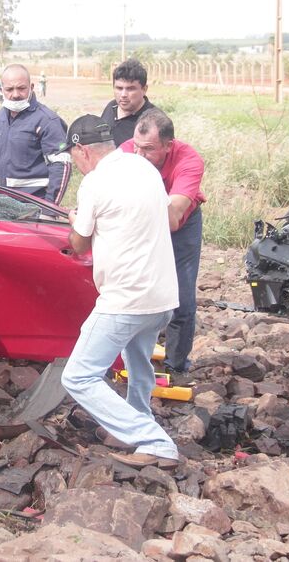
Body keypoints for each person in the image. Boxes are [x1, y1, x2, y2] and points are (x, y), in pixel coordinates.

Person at [59, 114, 181, 469]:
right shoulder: (144, 168)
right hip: (162, 296)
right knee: (138, 364)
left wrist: (74, 221)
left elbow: (79, 245)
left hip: (126, 298)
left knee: (78, 376)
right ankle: (135, 427)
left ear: (81, 150)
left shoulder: (95, 183)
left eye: (72, 157)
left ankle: (153, 440)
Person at [121, 109, 205, 386]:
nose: (140, 155)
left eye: (149, 150)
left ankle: (177, 365)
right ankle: (129, 358)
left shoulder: (188, 160)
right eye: (137, 147)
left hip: (180, 225)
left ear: (168, 146)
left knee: (180, 294)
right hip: (141, 222)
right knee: (132, 288)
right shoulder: (126, 153)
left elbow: (172, 217)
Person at [0, 64, 71, 204]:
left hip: (31, 207)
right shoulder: (1, 116)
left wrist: (49, 208)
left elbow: (61, 165)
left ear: (32, 87)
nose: (15, 94)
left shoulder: (47, 120)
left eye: (21, 88)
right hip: (0, 203)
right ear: (1, 90)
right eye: (9, 89)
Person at [100, 58, 156, 146]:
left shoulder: (155, 121)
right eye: (119, 88)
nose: (123, 94)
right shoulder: (111, 107)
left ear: (144, 89)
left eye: (130, 89)